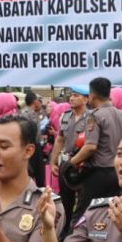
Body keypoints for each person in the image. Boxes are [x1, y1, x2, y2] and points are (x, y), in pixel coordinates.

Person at [66, 77, 122, 231]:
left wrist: (71, 162)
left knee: (81, 216)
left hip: (97, 173)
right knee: (111, 215)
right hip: (118, 173)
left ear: (92, 95)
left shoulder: (94, 116)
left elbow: (90, 146)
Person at [48, 86, 91, 232]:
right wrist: (53, 161)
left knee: (83, 201)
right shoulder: (65, 116)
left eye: (76, 96)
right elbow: (60, 139)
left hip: (83, 165)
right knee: (66, 200)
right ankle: (65, 230)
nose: (71, 98)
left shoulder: (92, 117)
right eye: (71, 95)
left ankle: (80, 230)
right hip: (66, 163)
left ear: (85, 99)